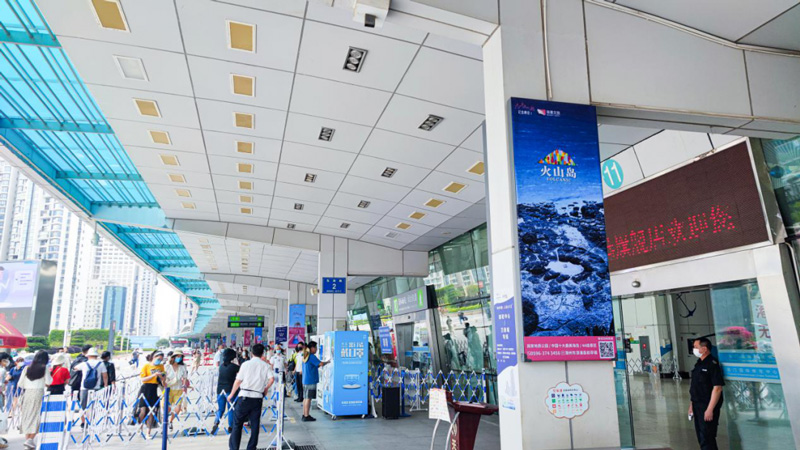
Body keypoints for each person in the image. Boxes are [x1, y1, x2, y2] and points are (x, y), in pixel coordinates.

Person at [227, 343, 273, 450]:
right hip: (257, 398)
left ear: (251, 353)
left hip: (244, 396)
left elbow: (238, 381)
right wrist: (266, 388)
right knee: (255, 425)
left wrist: (231, 394)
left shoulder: (245, 364)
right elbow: (272, 379)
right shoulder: (266, 365)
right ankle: (251, 448)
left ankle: (234, 448)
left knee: (237, 424)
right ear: (262, 353)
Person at [689, 338, 725, 450]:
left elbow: (717, 388)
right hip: (697, 404)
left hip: (707, 405)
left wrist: (710, 409)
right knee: (701, 436)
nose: (694, 349)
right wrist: (691, 405)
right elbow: (695, 387)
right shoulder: (699, 364)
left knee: (707, 436)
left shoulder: (712, 364)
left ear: (704, 349)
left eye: (696, 347)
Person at [18, 351, 51, 449]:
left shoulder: (27, 368)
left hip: (27, 393)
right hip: (38, 393)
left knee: (27, 416)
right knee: (37, 416)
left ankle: (28, 440)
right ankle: (30, 440)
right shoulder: (44, 368)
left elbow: (20, 384)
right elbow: (49, 381)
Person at [74, 348, 108, 424]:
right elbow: (105, 375)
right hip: (96, 387)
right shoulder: (101, 364)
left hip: (84, 387)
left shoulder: (84, 364)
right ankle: (91, 420)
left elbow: (75, 368)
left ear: (88, 356)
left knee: (83, 405)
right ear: (96, 356)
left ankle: (83, 422)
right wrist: (105, 385)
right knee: (94, 405)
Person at [211, 348, 239, 435]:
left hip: (220, 390)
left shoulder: (221, 366)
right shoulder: (234, 367)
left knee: (221, 409)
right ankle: (231, 427)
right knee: (231, 409)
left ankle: (216, 422)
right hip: (229, 390)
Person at [138, 350, 166, 435]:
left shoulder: (161, 366)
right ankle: (140, 426)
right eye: (158, 359)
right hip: (145, 389)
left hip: (155, 389)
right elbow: (143, 379)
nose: (159, 361)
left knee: (152, 411)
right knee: (143, 410)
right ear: (154, 357)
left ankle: (148, 432)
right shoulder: (146, 366)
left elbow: (163, 379)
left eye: (161, 359)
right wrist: (153, 375)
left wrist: (162, 377)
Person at [301, 341, 329, 422]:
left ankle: (304, 414)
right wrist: (328, 362)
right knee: (308, 398)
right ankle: (306, 416)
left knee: (305, 398)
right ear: (312, 348)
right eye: (316, 348)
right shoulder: (311, 356)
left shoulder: (305, 355)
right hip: (310, 380)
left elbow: (314, 365)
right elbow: (320, 364)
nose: (316, 349)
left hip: (305, 380)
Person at [165, 349, 189, 430]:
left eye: (180, 357)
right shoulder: (167, 366)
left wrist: (184, 385)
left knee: (178, 409)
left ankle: (171, 421)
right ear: (173, 357)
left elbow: (185, 377)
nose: (179, 358)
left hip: (178, 389)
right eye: (178, 356)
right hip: (168, 389)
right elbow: (164, 376)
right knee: (167, 409)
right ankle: (165, 423)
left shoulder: (183, 366)